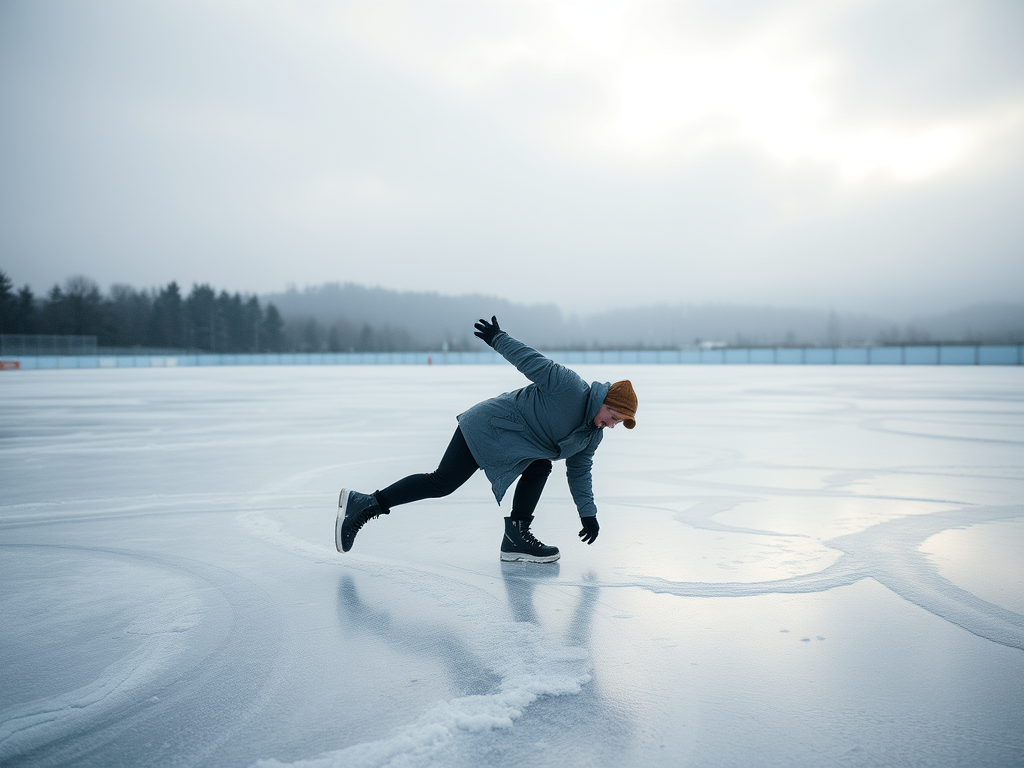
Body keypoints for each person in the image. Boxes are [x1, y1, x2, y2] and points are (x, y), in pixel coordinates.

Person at [335, 316, 638, 563]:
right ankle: (366, 504)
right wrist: (497, 337)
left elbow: (579, 472)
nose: (611, 426)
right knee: (442, 483)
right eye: (614, 418)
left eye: (618, 423)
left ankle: (516, 535)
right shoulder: (570, 387)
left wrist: (588, 515)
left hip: (518, 447)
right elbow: (531, 361)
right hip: (489, 426)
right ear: (605, 402)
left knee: (540, 465)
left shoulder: (590, 436)